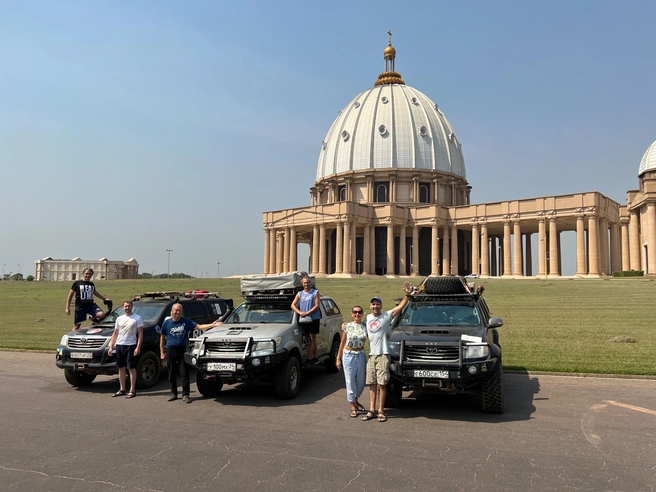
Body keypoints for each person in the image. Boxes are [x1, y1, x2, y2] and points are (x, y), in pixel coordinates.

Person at [361, 281, 413, 422]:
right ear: (370, 306)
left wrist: (407, 294)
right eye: (373, 304)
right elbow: (359, 330)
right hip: (371, 355)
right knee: (372, 384)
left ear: (381, 306)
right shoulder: (368, 319)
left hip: (383, 354)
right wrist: (346, 326)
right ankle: (371, 410)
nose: (375, 306)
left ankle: (381, 411)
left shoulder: (386, 316)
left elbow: (401, 307)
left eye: (377, 304)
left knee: (382, 384)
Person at [160, 303, 221, 403]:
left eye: (179, 310)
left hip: (182, 349)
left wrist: (213, 325)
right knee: (171, 373)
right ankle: (173, 393)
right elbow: (162, 338)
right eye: (176, 310)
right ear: (172, 311)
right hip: (171, 349)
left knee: (184, 372)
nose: (178, 312)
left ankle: (186, 394)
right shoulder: (167, 323)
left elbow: (199, 327)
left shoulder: (186, 322)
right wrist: (162, 352)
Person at [336, 305, 368, 417]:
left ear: (362, 314)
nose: (357, 314)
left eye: (359, 312)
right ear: (352, 314)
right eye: (355, 312)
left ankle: (355, 400)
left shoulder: (365, 326)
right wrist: (338, 358)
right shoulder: (347, 326)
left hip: (360, 354)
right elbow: (342, 342)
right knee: (350, 380)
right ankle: (352, 405)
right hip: (348, 354)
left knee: (360, 381)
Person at [108, 300, 143, 399]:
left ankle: (132, 390)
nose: (127, 308)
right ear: (123, 308)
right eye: (125, 306)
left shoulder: (137, 318)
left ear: (132, 307)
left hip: (131, 345)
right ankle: (122, 389)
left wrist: (138, 346)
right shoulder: (119, 319)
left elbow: (140, 334)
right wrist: (111, 346)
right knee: (121, 368)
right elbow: (115, 333)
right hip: (120, 345)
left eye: (129, 306)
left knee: (131, 368)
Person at [291, 276, 321, 364]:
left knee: (312, 338)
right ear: (302, 284)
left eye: (307, 282)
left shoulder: (315, 292)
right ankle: (315, 356)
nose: (306, 284)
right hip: (303, 319)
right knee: (310, 339)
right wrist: (300, 312)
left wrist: (307, 312)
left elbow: (317, 305)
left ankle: (308, 359)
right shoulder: (300, 294)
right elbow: (292, 305)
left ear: (310, 283)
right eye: (304, 283)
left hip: (314, 318)